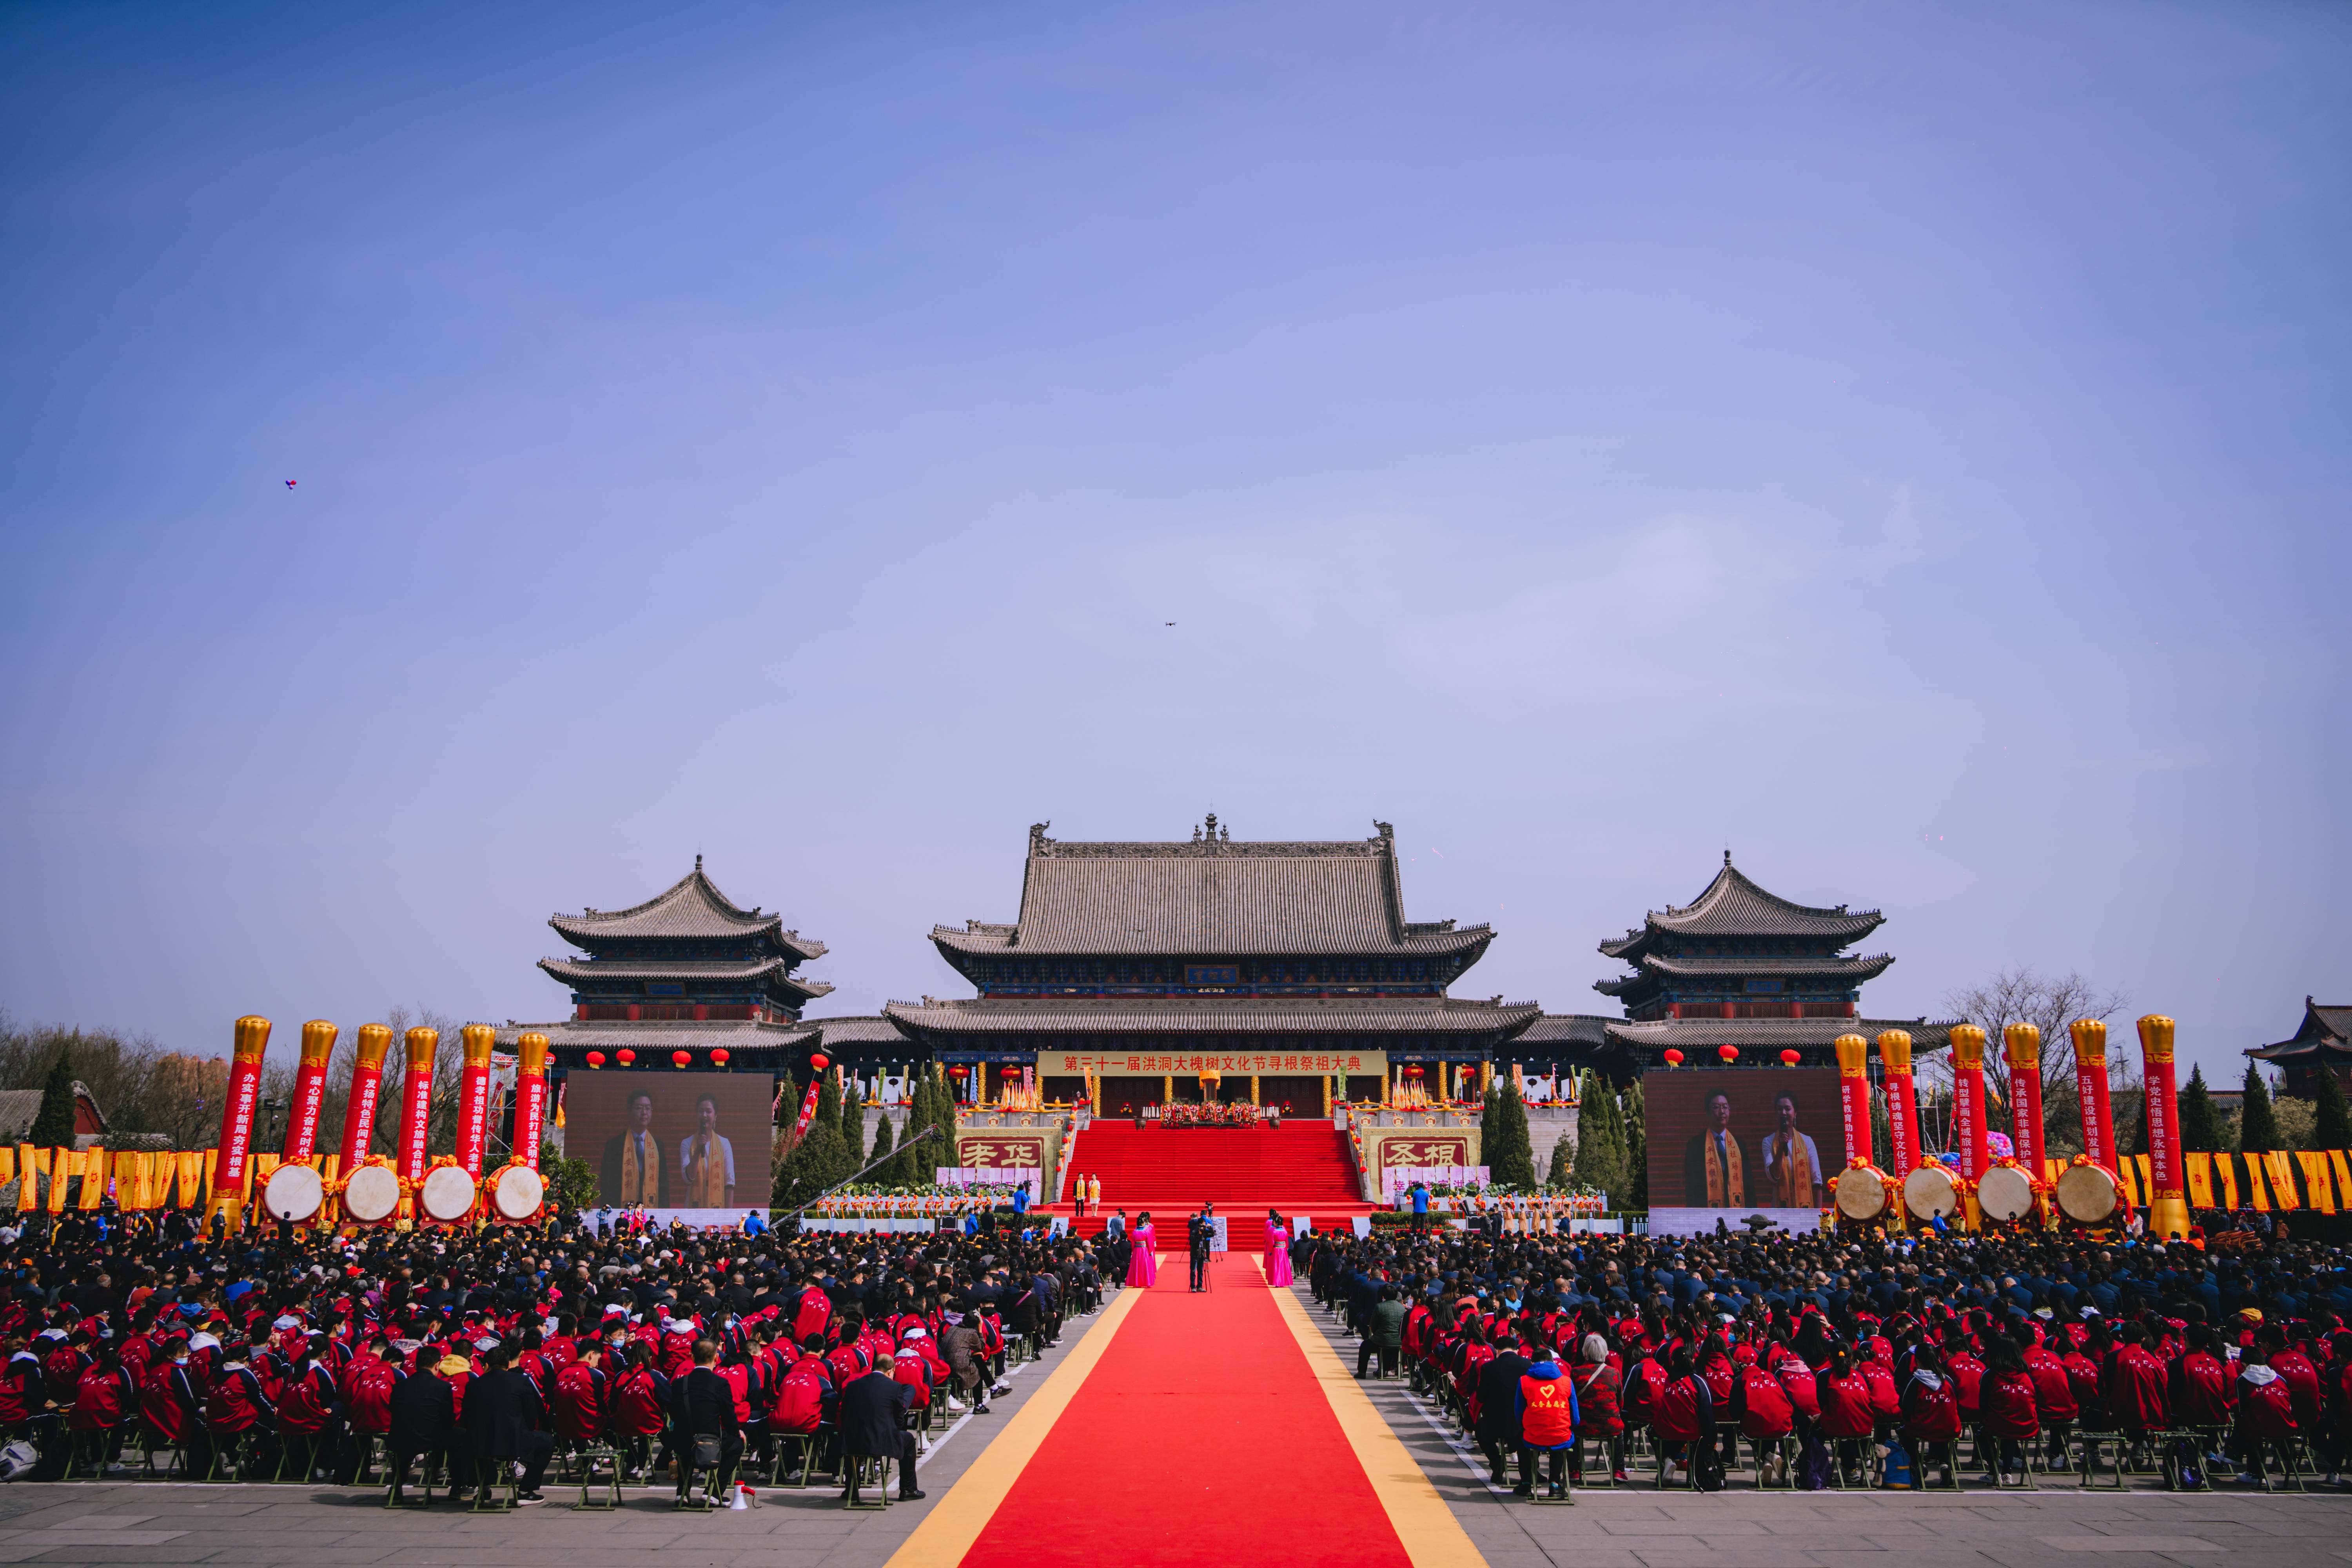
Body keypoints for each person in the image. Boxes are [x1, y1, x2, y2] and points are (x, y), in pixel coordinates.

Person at [838, 1359, 923, 1502]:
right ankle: (908, 1489)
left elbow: (845, 1414)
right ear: (891, 1371)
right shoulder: (895, 1387)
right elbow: (899, 1420)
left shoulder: (853, 1386)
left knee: (855, 1437)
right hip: (882, 1442)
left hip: (852, 1442)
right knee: (909, 1440)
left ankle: (851, 1488)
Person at [669, 1338, 741, 1503]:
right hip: (710, 1444)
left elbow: (673, 1413)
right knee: (737, 1445)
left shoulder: (680, 1383)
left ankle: (683, 1492)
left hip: (682, 1442)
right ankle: (714, 1493)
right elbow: (729, 1416)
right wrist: (737, 1433)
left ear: (693, 1358)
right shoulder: (721, 1383)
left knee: (688, 1437)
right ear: (717, 1358)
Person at [601, 1091, 668, 1207]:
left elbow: (663, 1185)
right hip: (621, 1208)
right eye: (639, 1108)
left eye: (648, 1108)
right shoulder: (614, 1145)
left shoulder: (658, 1146)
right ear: (629, 1111)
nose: (644, 1113)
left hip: (651, 1208)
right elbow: (607, 1184)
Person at [1760, 1092, 1824, 1209]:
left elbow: (1817, 1181)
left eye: (1787, 1109)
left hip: (1806, 1207)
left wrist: (1818, 1215)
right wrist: (1781, 1148)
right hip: (1781, 1208)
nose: (1783, 1113)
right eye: (1780, 1109)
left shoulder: (1807, 1141)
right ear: (1776, 1114)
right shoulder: (1768, 1142)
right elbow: (1773, 1177)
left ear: (1795, 1113)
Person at [1683, 1091, 1745, 1207]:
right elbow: (1691, 1185)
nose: (1722, 1111)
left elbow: (1748, 1185)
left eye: (1725, 1107)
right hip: (1706, 1207)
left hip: (1736, 1208)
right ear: (1708, 1112)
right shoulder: (1695, 1145)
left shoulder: (1740, 1144)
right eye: (1716, 1107)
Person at [679, 1095, 735, 1209]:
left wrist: (728, 1214)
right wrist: (698, 1150)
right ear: (696, 1115)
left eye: (708, 1111)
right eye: (701, 1111)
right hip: (693, 1206)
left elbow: (729, 1183)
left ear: (715, 1116)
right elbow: (689, 1178)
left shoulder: (724, 1144)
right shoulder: (687, 1144)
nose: (704, 1115)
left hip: (718, 1206)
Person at [1264, 1210, 1294, 1287]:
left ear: (1276, 1223)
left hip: (1276, 1250)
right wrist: (1286, 1249)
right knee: (1283, 1266)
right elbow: (1287, 1242)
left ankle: (1277, 1282)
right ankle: (1283, 1282)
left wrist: (1270, 1251)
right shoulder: (1285, 1231)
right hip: (1283, 1250)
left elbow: (1272, 1243)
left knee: (1277, 1267)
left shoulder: (1273, 1231)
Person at [1188, 1203, 1214, 1292]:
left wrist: (1210, 1229)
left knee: (1201, 1271)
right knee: (1193, 1271)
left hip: (1202, 1254)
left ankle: (1200, 1286)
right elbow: (1193, 1241)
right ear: (1199, 1225)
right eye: (1203, 1225)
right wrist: (1199, 1234)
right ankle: (1193, 1287)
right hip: (1195, 1254)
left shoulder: (1204, 1232)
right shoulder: (1195, 1231)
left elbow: (1212, 1235)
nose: (1204, 1226)